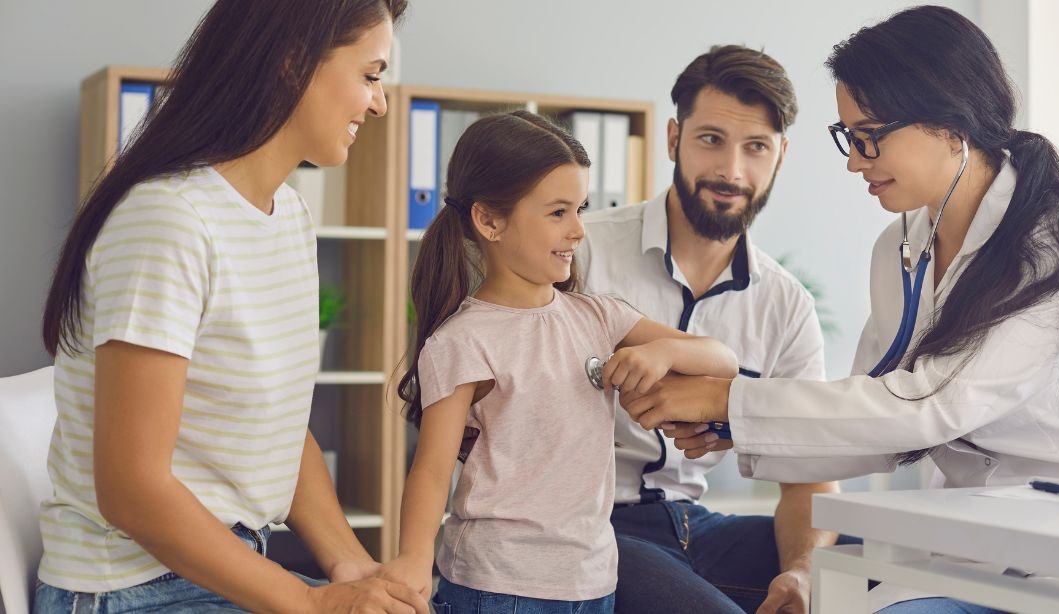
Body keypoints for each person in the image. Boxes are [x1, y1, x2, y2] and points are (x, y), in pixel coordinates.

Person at [620, 6, 1059, 614]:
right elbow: (877, 418)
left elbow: (931, 406)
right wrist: (728, 426)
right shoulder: (899, 248)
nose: (853, 160)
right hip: (986, 543)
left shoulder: (1056, 242)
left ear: (952, 126)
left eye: (869, 135)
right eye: (848, 136)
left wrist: (727, 398)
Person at [36, 1, 427, 612]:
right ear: (293, 64)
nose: (378, 104)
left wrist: (351, 565)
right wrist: (312, 603)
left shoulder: (287, 217)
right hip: (131, 591)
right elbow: (133, 492)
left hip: (224, 568)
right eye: (371, 75)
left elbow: (269, 431)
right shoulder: (169, 219)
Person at [380, 110, 738, 614]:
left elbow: (721, 360)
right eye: (557, 213)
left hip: (591, 580)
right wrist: (413, 563)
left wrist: (664, 351)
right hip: (497, 584)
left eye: (581, 209)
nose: (578, 230)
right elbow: (432, 469)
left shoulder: (599, 317)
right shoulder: (464, 340)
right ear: (488, 220)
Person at [577, 45, 838, 614]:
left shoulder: (787, 305)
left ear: (780, 156)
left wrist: (802, 573)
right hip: (591, 527)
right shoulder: (582, 251)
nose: (731, 172)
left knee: (872, 568)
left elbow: (808, 476)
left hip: (697, 526)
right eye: (711, 139)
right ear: (674, 139)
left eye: (756, 148)